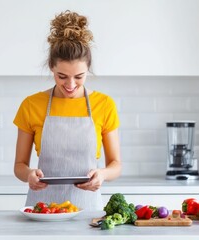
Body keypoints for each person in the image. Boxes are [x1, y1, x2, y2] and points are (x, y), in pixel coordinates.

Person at [13, 10, 121, 210]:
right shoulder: (31, 105)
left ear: (88, 69)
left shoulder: (104, 104)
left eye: (79, 76)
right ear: (51, 67)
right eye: (62, 76)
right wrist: (29, 174)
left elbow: (116, 163)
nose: (70, 84)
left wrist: (102, 174)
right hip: (42, 210)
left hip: (87, 211)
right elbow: (19, 165)